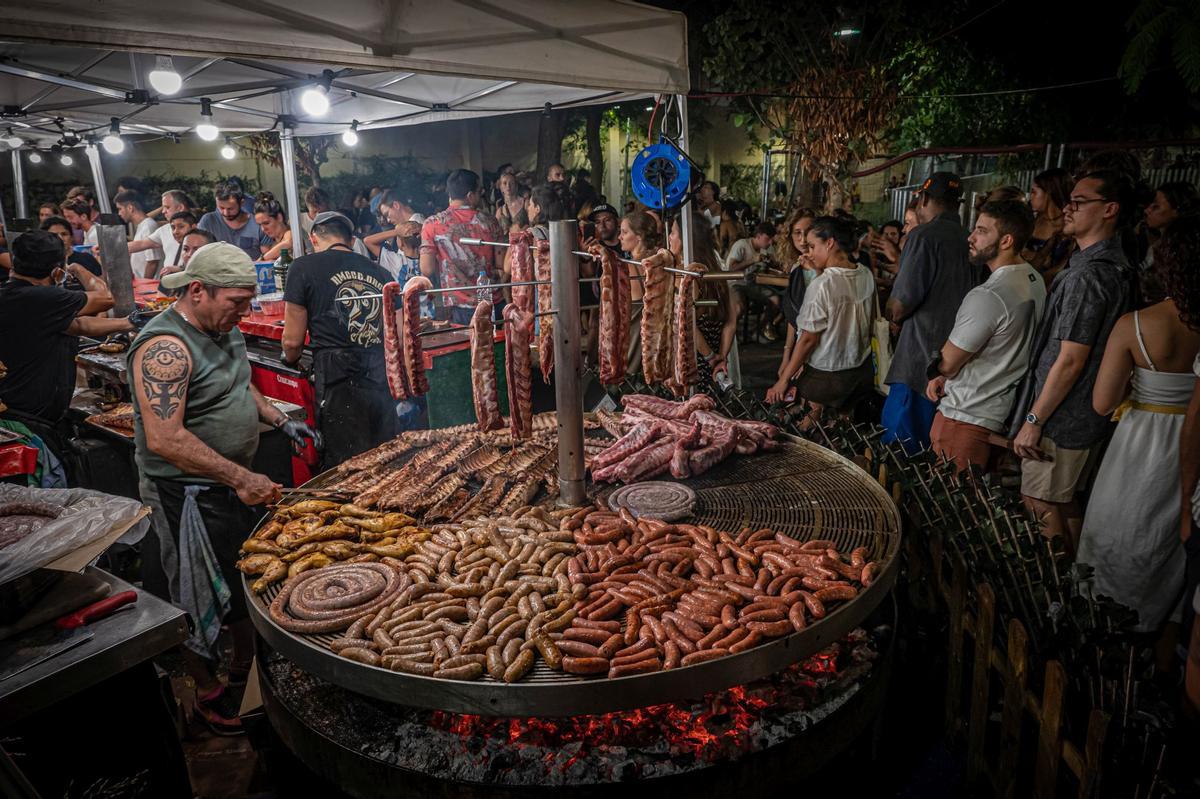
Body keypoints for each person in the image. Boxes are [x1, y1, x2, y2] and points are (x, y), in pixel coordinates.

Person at [128, 242, 316, 733]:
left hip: (231, 486)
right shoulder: (164, 349)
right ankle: (205, 690)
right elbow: (165, 438)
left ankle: (243, 668)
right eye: (238, 301)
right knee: (189, 591)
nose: (246, 311)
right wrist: (240, 477)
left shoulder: (221, 327)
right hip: (184, 495)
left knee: (240, 580)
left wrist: (279, 417)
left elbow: (240, 383)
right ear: (197, 291)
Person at [1078, 215, 1200, 640]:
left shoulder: (1136, 324)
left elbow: (1102, 402)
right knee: (1169, 549)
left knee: (1121, 533)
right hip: (1191, 444)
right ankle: (1160, 644)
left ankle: (1107, 635)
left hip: (1140, 445)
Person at [1012, 170, 1134, 552]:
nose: (1068, 208)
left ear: (1109, 209)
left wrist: (1035, 419)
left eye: (1080, 202)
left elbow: (1070, 359)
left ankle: (1053, 594)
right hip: (1083, 413)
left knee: (1039, 499)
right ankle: (1074, 584)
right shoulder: (1115, 266)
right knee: (1064, 497)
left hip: (1064, 415)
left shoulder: (1089, 276)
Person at [925, 201, 1046, 473]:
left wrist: (939, 370)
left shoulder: (990, 294)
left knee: (944, 504)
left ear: (1006, 240)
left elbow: (948, 362)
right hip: (995, 413)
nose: (971, 236)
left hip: (964, 416)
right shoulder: (1033, 279)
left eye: (981, 230)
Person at [283, 212, 397, 468]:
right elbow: (397, 332)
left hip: (337, 377)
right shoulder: (381, 272)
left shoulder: (302, 267)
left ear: (314, 238)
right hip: (380, 373)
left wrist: (290, 360)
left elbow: (292, 342)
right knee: (386, 456)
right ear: (352, 239)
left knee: (345, 462)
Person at [882, 171, 980, 453]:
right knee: (933, 449)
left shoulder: (923, 236)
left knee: (900, 450)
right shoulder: (969, 238)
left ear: (923, 198)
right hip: (957, 357)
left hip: (919, 357)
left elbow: (901, 304)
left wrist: (891, 317)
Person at [0, 231, 134, 428]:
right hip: (27, 417)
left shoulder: (12, 295)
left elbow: (77, 325)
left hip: (20, 406)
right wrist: (77, 268)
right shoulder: (41, 298)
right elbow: (106, 298)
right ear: (56, 272)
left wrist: (129, 322)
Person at [767, 216, 875, 421]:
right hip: (860, 371)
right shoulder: (865, 274)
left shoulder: (822, 285)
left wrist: (783, 380)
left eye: (813, 246)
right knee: (842, 430)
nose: (809, 253)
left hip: (828, 377)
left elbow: (809, 339)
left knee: (809, 427)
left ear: (830, 243)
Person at [419, 169, 505, 325]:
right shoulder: (490, 221)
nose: (481, 196)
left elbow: (427, 269)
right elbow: (501, 263)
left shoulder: (432, 224)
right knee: (500, 347)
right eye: (480, 192)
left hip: (459, 305)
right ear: (470, 195)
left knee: (470, 348)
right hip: (493, 301)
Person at [1139, 181, 1200, 304]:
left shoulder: (1183, 249)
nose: (1147, 210)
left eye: (1155, 207)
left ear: (1177, 210)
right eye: (1149, 205)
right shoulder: (1151, 240)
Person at [777, 210, 817, 380]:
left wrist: (799, 358)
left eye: (807, 232)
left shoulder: (825, 269)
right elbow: (794, 318)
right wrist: (787, 355)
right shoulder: (796, 268)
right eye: (797, 233)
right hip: (801, 347)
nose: (802, 239)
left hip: (819, 352)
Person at [726, 221, 783, 342]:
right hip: (735, 282)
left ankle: (755, 331)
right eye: (767, 239)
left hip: (752, 283)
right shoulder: (742, 245)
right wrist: (752, 260)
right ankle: (729, 335)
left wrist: (772, 264)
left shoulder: (766, 250)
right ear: (758, 236)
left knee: (776, 300)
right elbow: (731, 269)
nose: (770, 243)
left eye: (772, 239)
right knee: (739, 307)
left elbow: (772, 266)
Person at [1023, 169, 1075, 287]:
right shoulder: (1033, 220)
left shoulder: (1070, 226)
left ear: (1049, 192)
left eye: (1034, 192)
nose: (1030, 196)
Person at [197, 181, 270, 259]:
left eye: (230, 208)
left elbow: (267, 258)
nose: (226, 213)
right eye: (221, 208)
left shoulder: (257, 224)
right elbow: (199, 254)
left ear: (242, 203)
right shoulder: (208, 221)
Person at [126, 190, 195, 272]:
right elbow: (141, 244)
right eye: (163, 208)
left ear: (180, 207)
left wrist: (179, 269)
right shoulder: (164, 229)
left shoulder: (200, 229)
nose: (163, 211)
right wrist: (114, 248)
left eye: (167, 207)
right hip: (168, 281)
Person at [364, 189, 426, 258]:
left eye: (387, 214)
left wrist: (397, 231)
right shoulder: (411, 225)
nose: (388, 220)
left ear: (396, 205)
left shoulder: (414, 228)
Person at [113, 190, 161, 279]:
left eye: (120, 209)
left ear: (130, 208)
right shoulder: (142, 226)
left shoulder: (148, 226)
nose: (119, 213)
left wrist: (145, 284)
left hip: (150, 287)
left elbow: (153, 262)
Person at [253, 193, 294, 261]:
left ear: (279, 217)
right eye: (260, 225)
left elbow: (288, 243)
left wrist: (263, 259)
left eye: (266, 223)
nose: (263, 229)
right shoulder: (272, 244)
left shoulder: (289, 233)